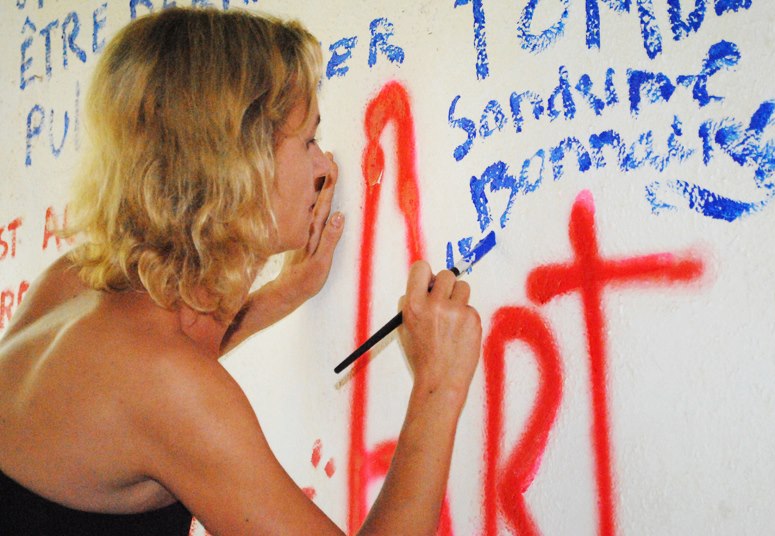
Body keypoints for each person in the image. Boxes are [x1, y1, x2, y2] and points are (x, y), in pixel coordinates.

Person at [0, 6, 482, 536]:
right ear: (242, 166)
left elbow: (151, 367)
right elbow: (164, 382)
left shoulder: (75, 281)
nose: (324, 167)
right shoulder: (168, 388)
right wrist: (437, 386)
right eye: (308, 142)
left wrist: (281, 295)